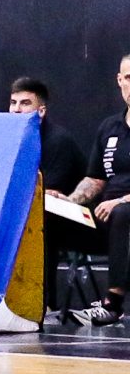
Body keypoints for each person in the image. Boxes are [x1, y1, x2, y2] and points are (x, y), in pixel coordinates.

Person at [51, 54, 130, 326]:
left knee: (123, 213)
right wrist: (69, 201)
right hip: (106, 219)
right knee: (50, 217)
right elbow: (96, 178)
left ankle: (113, 305)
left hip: (124, 215)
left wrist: (122, 200)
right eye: (128, 78)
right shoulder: (110, 127)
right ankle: (44, 303)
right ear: (119, 81)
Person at [8, 76, 85, 196]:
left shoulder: (58, 141)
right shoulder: (9, 140)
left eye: (25, 103)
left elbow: (50, 195)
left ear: (41, 111)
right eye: (13, 103)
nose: (16, 109)